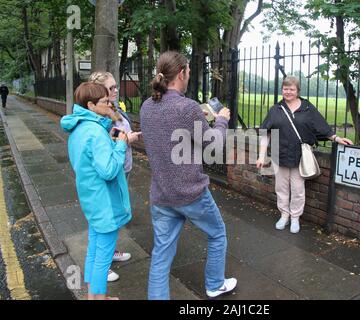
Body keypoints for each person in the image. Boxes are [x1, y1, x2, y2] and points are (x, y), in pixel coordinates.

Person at [140, 51, 237, 300]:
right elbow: (213, 146)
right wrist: (222, 121)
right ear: (181, 73)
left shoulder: (147, 106)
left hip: (161, 194)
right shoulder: (187, 107)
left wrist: (199, 123)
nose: (189, 78)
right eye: (189, 73)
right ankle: (215, 285)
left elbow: (168, 136)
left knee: (161, 254)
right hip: (190, 193)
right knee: (217, 234)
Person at [60, 82, 132, 300]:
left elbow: (89, 161)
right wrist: (120, 144)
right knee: (103, 254)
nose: (109, 104)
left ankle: (93, 296)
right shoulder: (95, 132)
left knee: (94, 249)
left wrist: (111, 143)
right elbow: (109, 170)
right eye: (104, 101)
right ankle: (99, 298)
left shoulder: (78, 127)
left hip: (91, 198)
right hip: (105, 202)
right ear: (90, 105)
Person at [256, 76, 353, 234]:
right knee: (281, 188)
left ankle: (295, 218)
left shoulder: (307, 108)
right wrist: (261, 156)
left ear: (297, 91)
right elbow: (266, 134)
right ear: (282, 90)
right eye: (285, 89)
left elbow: (322, 126)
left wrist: (336, 138)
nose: (288, 92)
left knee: (298, 189)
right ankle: (284, 215)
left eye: (291, 89)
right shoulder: (276, 110)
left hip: (299, 157)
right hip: (278, 155)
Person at [89, 71, 141, 282]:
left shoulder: (114, 108)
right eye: (111, 88)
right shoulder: (101, 116)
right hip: (111, 170)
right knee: (105, 219)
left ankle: (110, 253)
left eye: (115, 86)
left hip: (123, 168)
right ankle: (101, 266)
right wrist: (129, 138)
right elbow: (109, 142)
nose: (116, 90)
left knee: (114, 215)